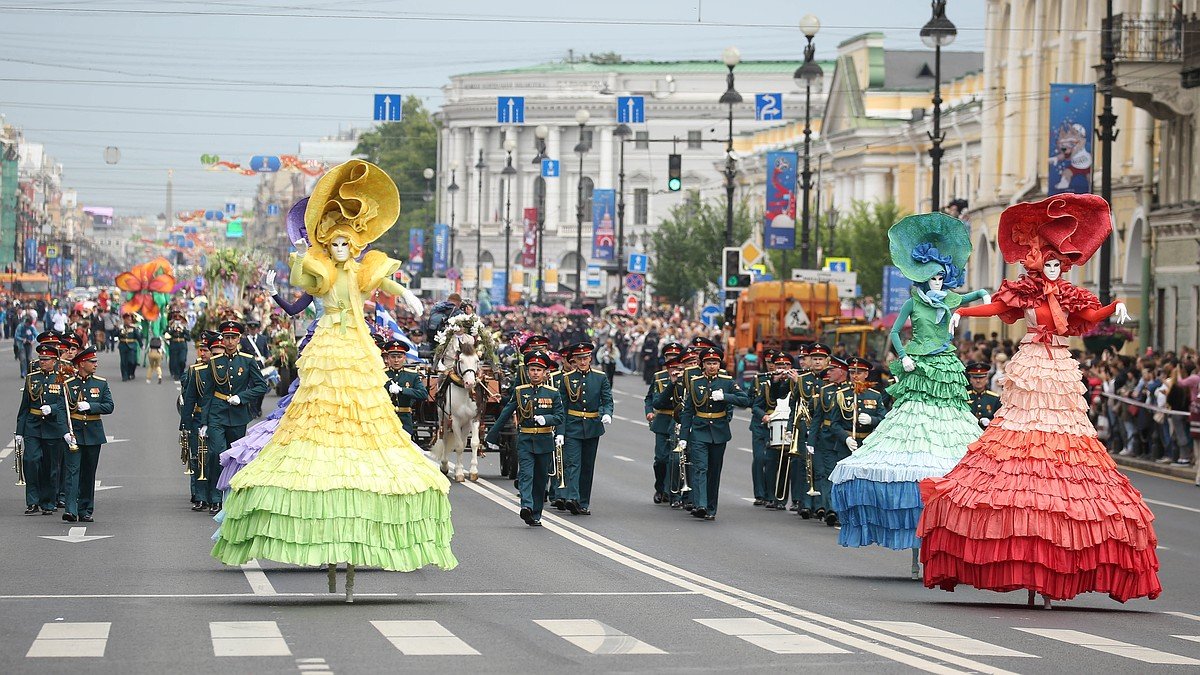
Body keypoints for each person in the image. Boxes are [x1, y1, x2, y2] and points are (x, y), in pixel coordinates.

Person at [211, 160, 456, 601]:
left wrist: (411, 296)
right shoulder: (322, 273)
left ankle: (363, 496)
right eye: (336, 242)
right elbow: (298, 289)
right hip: (328, 344)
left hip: (357, 346)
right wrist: (276, 284)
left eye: (348, 241)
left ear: (355, 242)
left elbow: (385, 283)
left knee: (366, 414)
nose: (342, 248)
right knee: (317, 412)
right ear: (328, 242)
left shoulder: (361, 272)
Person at [919, 193, 1160, 606]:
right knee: (1017, 436)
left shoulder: (1070, 296)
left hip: (1060, 370)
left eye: (1056, 264)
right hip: (1033, 364)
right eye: (1046, 263)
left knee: (1069, 445)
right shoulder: (1026, 293)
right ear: (1036, 262)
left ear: (1062, 265)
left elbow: (1091, 317)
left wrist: (1116, 305)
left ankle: (1058, 550)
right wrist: (963, 313)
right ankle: (1018, 543)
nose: (1051, 269)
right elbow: (996, 307)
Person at [828, 212, 986, 572]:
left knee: (949, 431)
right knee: (912, 431)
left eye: (942, 277)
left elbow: (976, 295)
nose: (937, 282)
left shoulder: (949, 300)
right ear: (922, 277)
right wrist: (904, 357)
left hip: (945, 369)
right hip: (919, 368)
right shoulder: (914, 303)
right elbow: (895, 333)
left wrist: (986, 295)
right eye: (932, 276)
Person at [195, 321, 268, 514]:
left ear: (239, 339)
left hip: (237, 414)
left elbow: (262, 386)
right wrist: (204, 422)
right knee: (215, 454)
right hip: (217, 413)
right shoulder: (214, 362)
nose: (229, 342)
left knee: (235, 457)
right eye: (226, 338)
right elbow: (208, 393)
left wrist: (242, 397)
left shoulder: (247, 360)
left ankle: (233, 497)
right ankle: (216, 498)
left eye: (233, 338)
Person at [485, 351, 564, 526]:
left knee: (540, 479)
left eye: (538, 370)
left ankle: (536, 514)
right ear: (528, 372)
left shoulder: (553, 393)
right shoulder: (520, 392)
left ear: (545, 373)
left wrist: (548, 420)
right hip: (526, 439)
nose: (535, 373)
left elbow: (560, 416)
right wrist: (491, 435)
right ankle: (526, 507)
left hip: (544, 441)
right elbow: (506, 413)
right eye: (532, 369)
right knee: (526, 475)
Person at [677, 347, 750, 521]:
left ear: (719, 365)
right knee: (700, 468)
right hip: (700, 430)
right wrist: (683, 438)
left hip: (719, 431)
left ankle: (711, 508)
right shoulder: (695, 382)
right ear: (703, 364)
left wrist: (725, 397)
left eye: (715, 363)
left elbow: (746, 400)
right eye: (709, 363)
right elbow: (688, 412)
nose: (712, 366)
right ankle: (700, 504)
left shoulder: (727, 382)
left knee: (714, 472)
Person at [554, 342, 613, 515]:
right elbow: (562, 407)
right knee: (573, 463)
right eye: (579, 359)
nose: (582, 361)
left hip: (593, 426)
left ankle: (583, 502)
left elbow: (607, 400)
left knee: (587, 466)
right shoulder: (567, 378)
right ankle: (573, 497)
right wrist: (560, 432)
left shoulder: (600, 377)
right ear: (574, 360)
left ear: (590, 358)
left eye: (585, 358)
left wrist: (607, 413)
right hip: (573, 426)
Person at [16, 343, 69, 515]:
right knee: (31, 461)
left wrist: (52, 409)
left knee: (50, 467)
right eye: (41, 359)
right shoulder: (32, 378)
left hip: (53, 427)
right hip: (33, 424)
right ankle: (32, 501)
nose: (42, 362)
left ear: (54, 360)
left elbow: (64, 404)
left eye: (46, 359)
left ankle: (48, 502)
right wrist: (19, 431)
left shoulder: (61, 378)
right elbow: (24, 407)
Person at [62, 347, 113, 522]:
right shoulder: (68, 384)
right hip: (75, 432)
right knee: (72, 471)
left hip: (93, 432)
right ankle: (71, 509)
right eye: (92, 362)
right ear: (81, 363)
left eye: (96, 361)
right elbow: (63, 411)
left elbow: (109, 406)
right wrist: (65, 433)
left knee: (88, 473)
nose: (95, 364)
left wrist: (91, 406)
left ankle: (85, 509)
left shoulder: (101, 383)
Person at [644, 342, 684, 505]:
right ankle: (660, 488)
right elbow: (650, 398)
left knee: (675, 458)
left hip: (679, 419)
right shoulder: (659, 376)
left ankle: (671, 491)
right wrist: (649, 411)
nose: (672, 360)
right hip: (662, 419)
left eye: (676, 357)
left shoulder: (687, 376)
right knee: (661, 458)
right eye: (669, 357)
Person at [383, 340, 428, 438]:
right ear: (388, 358)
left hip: (404, 419)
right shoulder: (381, 374)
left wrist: (402, 390)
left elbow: (423, 394)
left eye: (399, 357)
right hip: (384, 418)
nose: (396, 360)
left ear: (404, 358)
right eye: (393, 357)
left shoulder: (412, 375)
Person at [966, 361, 1001, 428]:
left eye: (981, 378)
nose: (978, 380)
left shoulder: (994, 398)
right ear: (970, 380)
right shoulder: (965, 397)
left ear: (986, 379)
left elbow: (999, 420)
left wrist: (990, 421)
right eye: (975, 378)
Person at [165, 310, 190, 381]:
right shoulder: (170, 325)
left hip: (182, 345)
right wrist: (173, 330)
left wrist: (183, 330)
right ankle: (176, 374)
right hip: (174, 345)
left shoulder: (184, 326)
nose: (178, 319)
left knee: (182, 360)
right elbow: (166, 335)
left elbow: (189, 338)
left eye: (179, 317)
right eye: (176, 317)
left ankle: (181, 373)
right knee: (175, 361)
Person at [117, 312, 142, 381]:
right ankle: (124, 376)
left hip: (132, 345)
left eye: (129, 319)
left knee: (132, 361)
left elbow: (138, 337)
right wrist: (118, 330)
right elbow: (116, 335)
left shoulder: (134, 328)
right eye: (127, 319)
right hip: (123, 345)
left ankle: (131, 372)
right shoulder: (121, 327)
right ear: (124, 320)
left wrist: (141, 344)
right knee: (123, 362)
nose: (128, 321)